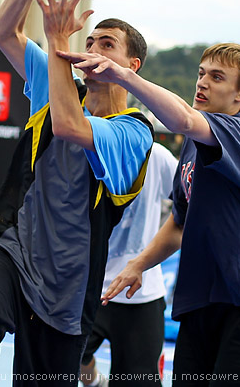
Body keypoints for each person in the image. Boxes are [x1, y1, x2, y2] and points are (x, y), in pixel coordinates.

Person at [0, 0, 153, 386]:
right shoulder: (59, 84)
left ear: (131, 65)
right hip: (17, 248)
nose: (91, 47)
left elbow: (72, 127)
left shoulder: (135, 132)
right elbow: (2, 31)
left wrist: (58, 39)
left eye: (107, 44)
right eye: (89, 39)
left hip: (69, 282)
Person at [58, 42, 240, 386]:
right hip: (202, 303)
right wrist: (139, 264)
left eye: (217, 77)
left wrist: (122, 76)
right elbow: (179, 222)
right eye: (201, 74)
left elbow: (182, 117)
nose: (202, 83)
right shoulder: (192, 147)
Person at [80, 142, 177, 387]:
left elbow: (188, 204)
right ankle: (93, 381)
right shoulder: (83, 146)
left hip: (141, 294)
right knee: (59, 364)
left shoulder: (156, 156)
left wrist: (143, 260)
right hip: (86, 289)